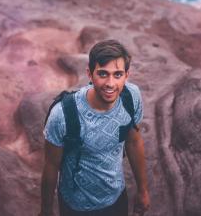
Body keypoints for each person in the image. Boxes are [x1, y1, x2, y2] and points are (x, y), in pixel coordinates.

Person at [39, 39, 150, 216]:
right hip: (75, 206)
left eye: (118, 74)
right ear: (90, 74)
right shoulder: (63, 115)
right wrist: (46, 211)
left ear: (127, 75)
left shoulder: (131, 97)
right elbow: (51, 165)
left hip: (117, 196)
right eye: (103, 74)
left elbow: (134, 142)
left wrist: (143, 190)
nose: (110, 84)